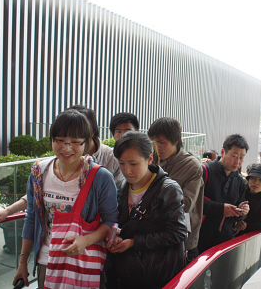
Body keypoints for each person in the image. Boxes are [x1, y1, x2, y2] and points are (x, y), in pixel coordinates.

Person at [13, 109, 118, 288]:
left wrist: (86, 240)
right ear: (52, 140)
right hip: (47, 260)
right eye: (59, 141)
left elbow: (111, 221)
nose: (66, 148)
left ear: (86, 143)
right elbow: (31, 218)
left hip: (86, 262)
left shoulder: (101, 177)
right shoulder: (39, 173)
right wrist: (22, 264)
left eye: (75, 142)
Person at [0, 106, 124, 227]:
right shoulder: (50, 165)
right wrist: (8, 211)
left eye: (75, 138)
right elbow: (39, 194)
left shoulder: (111, 161)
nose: (67, 148)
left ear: (89, 133)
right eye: (61, 138)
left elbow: (117, 203)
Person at [107, 131, 187, 289]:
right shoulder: (120, 186)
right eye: (121, 163)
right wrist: (115, 236)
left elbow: (178, 232)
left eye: (133, 164)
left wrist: (134, 242)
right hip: (126, 274)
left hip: (158, 276)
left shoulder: (168, 189)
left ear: (149, 158)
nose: (127, 170)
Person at [148, 117, 204, 263]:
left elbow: (185, 204)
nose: (157, 147)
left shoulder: (192, 166)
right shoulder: (150, 160)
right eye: (153, 142)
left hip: (182, 241)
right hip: (152, 236)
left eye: (161, 142)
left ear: (176, 141)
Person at [198, 134, 250, 254]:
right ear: (222, 152)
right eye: (234, 156)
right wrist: (221, 209)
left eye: (241, 158)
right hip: (199, 239)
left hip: (225, 241)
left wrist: (243, 211)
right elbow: (193, 202)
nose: (237, 162)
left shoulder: (241, 182)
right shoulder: (205, 171)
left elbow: (239, 213)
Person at [234, 164, 261, 235]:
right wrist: (236, 222)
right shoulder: (239, 193)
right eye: (253, 178)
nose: (256, 182)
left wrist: (244, 224)